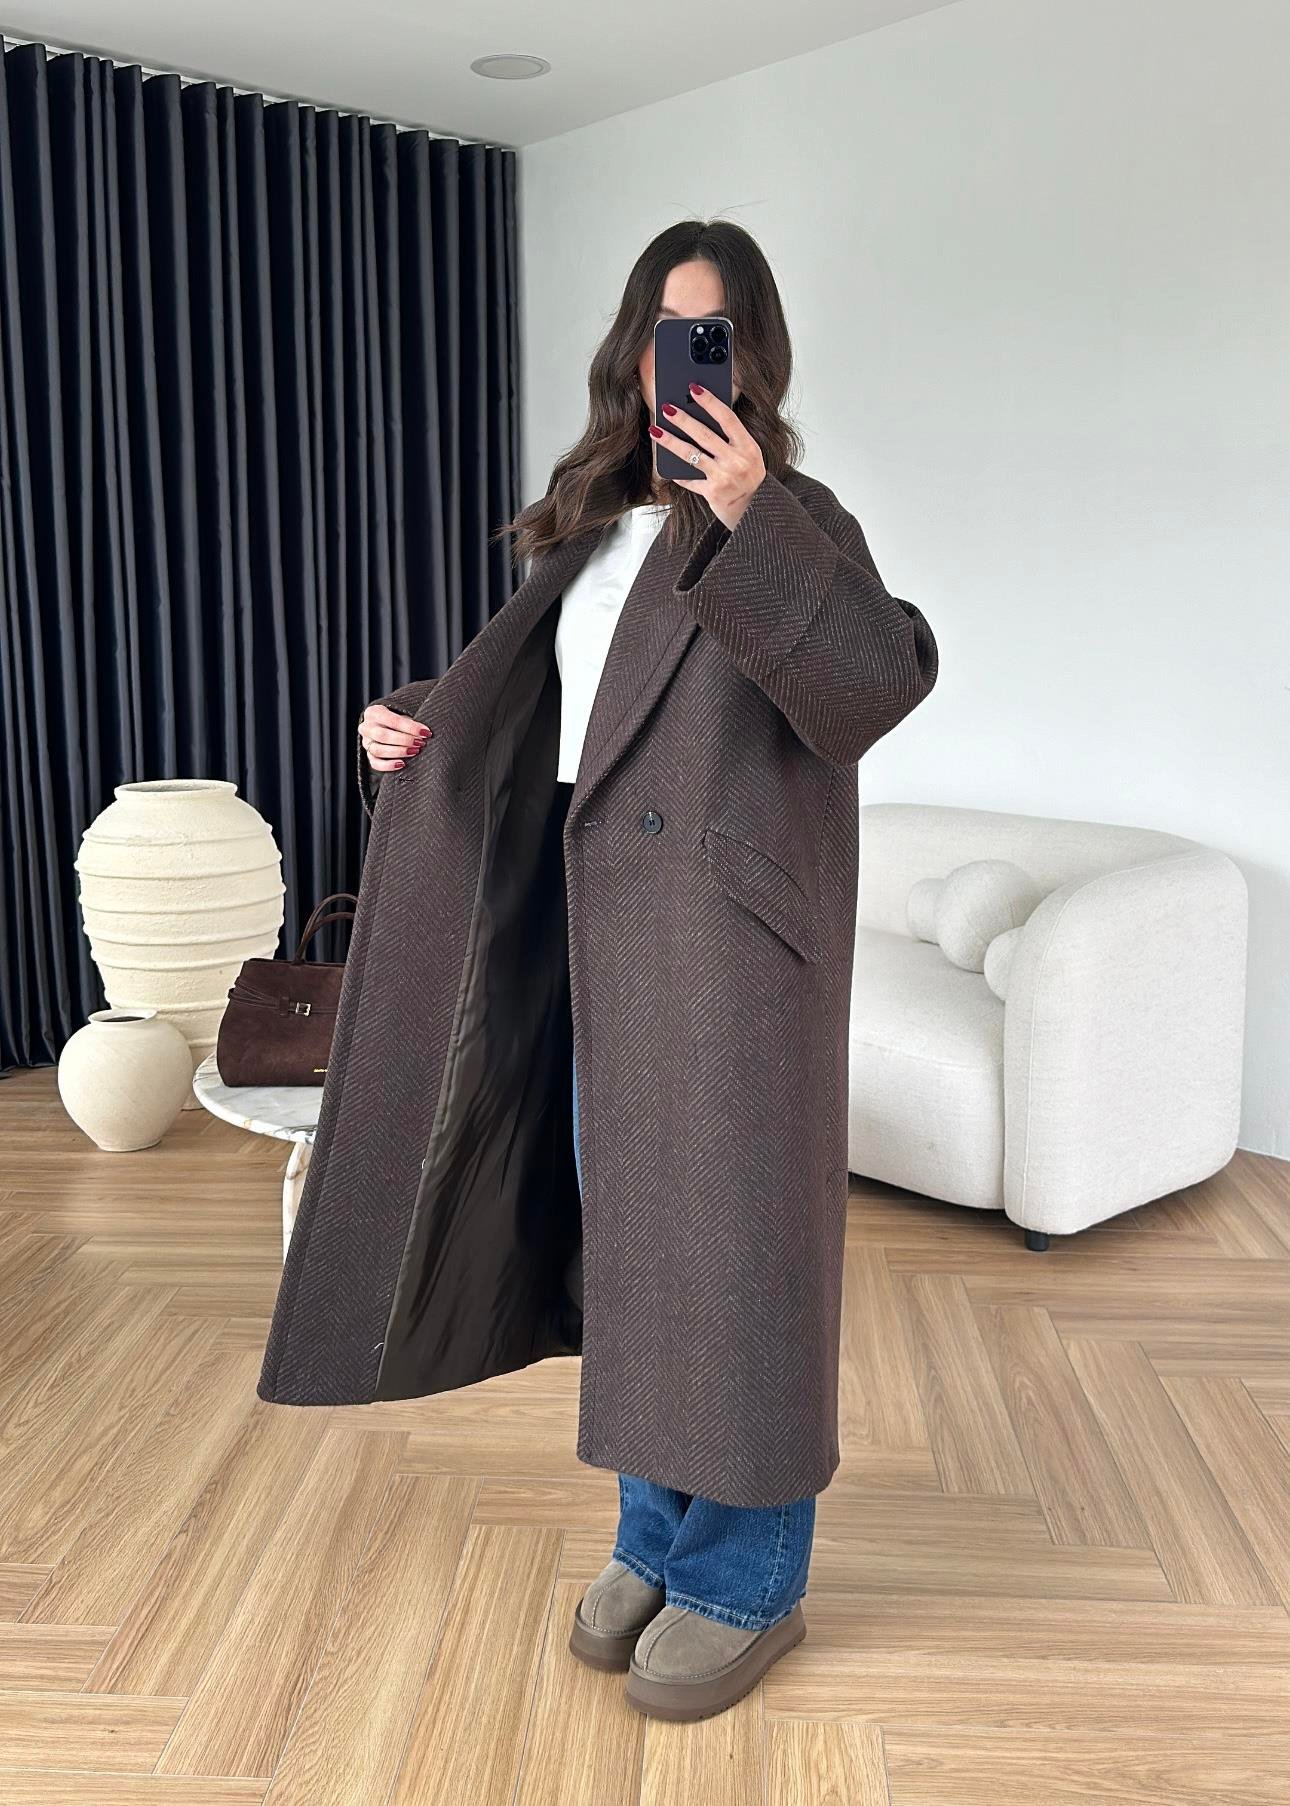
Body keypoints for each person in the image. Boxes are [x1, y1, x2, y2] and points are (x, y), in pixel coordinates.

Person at [355, 219, 938, 1722]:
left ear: (754, 361)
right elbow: (558, 716)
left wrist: (749, 515)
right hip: (593, 933)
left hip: (728, 948)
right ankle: (654, 1537)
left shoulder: (794, 516)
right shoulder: (587, 525)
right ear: (629, 353)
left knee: (733, 1257)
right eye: (665, 336)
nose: (684, 365)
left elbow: (872, 688)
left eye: (713, 338)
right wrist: (415, 716)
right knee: (632, 1246)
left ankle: (746, 1576)